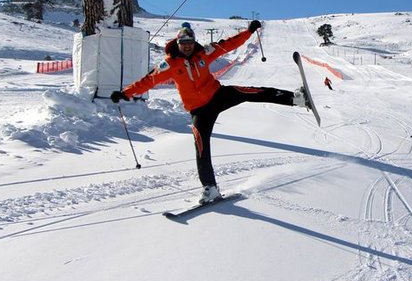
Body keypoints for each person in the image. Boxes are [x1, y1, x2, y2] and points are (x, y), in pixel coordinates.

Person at [110, 21, 311, 204]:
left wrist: (249, 32)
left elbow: (229, 44)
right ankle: (210, 188)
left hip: (218, 95)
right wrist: (125, 93)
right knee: (200, 146)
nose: (187, 46)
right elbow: (148, 80)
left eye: (190, 42)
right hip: (199, 110)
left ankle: (296, 99)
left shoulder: (204, 53)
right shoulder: (169, 64)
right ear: (178, 43)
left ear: (194, 42)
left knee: (251, 92)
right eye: (183, 43)